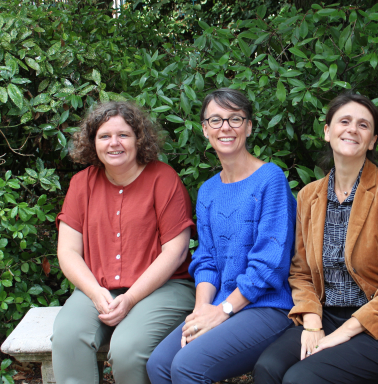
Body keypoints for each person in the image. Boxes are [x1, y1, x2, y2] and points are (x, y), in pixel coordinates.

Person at [254, 93, 378, 384]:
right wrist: (312, 321)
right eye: (344, 121)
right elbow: (299, 273)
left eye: (363, 125)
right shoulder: (308, 196)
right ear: (327, 131)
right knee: (269, 368)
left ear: (372, 140)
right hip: (326, 314)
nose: (352, 129)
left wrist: (345, 331)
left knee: (302, 379)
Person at [146, 88, 296, 384]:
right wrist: (203, 308)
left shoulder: (271, 180)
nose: (225, 127)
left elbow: (269, 265)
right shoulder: (208, 191)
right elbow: (206, 260)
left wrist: (222, 311)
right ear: (205, 130)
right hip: (220, 303)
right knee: (159, 366)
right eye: (216, 120)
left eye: (235, 119)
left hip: (267, 307)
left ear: (249, 126)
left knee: (187, 366)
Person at [52, 101, 197, 384]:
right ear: (93, 142)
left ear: (138, 139)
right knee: (68, 336)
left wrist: (129, 298)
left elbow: (176, 252)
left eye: (123, 135)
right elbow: (68, 251)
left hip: (163, 288)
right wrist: (94, 293)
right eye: (104, 136)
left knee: (128, 349)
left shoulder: (164, 179)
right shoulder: (82, 184)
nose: (114, 143)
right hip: (100, 287)